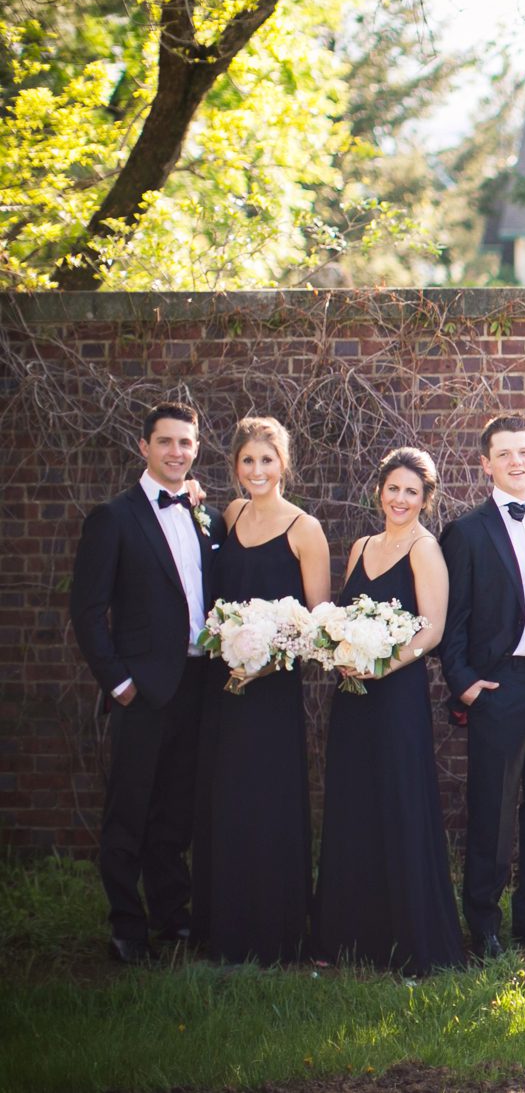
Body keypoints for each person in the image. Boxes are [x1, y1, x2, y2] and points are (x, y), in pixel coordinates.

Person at [67, 400, 219, 963]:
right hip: (142, 692)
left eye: (185, 443)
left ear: (196, 450)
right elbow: (87, 611)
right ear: (144, 447)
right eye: (165, 442)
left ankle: (171, 918)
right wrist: (119, 683)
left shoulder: (205, 515)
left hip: (196, 684)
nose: (176, 452)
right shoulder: (114, 518)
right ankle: (126, 927)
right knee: (129, 812)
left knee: (175, 813)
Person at [313, 446, 464, 975]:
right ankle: (352, 937)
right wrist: (343, 651)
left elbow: (433, 628)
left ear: (426, 499)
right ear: (380, 490)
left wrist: (381, 666)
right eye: (393, 488)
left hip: (396, 698)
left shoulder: (424, 550)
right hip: (352, 699)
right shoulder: (360, 547)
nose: (400, 499)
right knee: (354, 805)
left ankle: (411, 941)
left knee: (398, 805)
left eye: (412, 492)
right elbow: (343, 615)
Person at [438, 412, 525, 960]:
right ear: (486, 464)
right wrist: (466, 683)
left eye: (524, 452)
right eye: (504, 454)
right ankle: (485, 922)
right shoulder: (468, 532)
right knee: (493, 809)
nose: (516, 462)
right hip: (503, 685)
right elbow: (452, 619)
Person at [192, 414, 329, 965]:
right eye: (247, 461)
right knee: (225, 803)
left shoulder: (305, 528)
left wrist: (266, 664)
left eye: (266, 460)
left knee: (268, 803)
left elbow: (317, 622)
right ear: (235, 466)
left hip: (272, 691)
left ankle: (275, 934)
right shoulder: (228, 514)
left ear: (283, 464)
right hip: (223, 688)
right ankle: (222, 928)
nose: (256, 470)